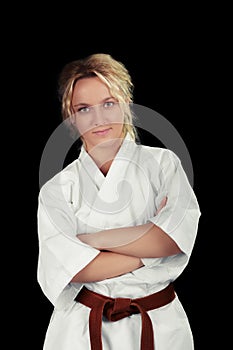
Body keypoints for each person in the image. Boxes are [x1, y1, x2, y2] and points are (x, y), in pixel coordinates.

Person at [37, 53, 201, 350]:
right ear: (70, 118)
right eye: (84, 108)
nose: (99, 119)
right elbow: (72, 269)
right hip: (80, 331)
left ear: (126, 103)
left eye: (109, 103)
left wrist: (91, 240)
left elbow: (171, 240)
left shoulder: (163, 165)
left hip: (158, 323)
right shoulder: (56, 189)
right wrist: (147, 249)